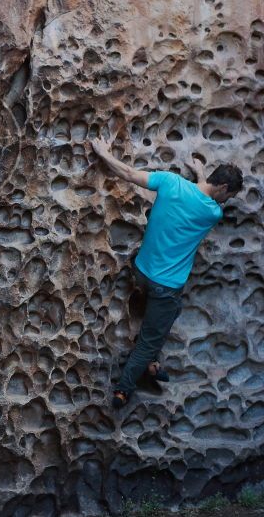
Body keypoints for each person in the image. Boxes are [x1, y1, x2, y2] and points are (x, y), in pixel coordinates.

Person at [90, 137, 243, 409]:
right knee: (150, 339)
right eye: (229, 195)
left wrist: (103, 153)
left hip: (142, 271)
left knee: (170, 312)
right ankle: (124, 389)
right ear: (222, 187)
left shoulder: (170, 183)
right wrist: (201, 173)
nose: (227, 200)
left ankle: (151, 364)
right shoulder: (212, 213)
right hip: (166, 285)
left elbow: (127, 173)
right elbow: (206, 195)